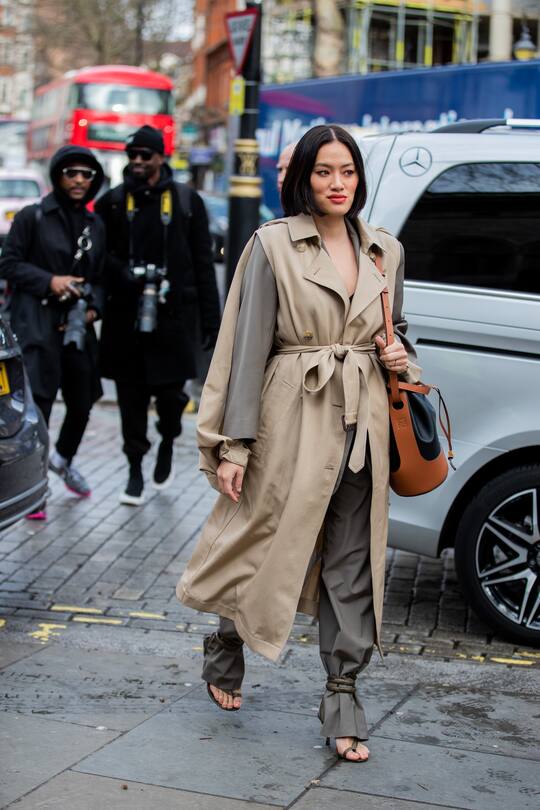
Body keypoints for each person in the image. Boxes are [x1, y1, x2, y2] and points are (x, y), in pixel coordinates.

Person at [177, 124, 422, 762]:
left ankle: (342, 694)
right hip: (293, 417)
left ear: (360, 178)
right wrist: (233, 445)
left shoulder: (385, 252)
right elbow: (244, 346)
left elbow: (403, 341)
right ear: (302, 179)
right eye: (324, 172)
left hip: (364, 424)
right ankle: (227, 644)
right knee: (264, 543)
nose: (337, 184)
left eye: (347, 172)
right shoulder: (272, 245)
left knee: (353, 565)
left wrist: (399, 355)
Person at [95, 126, 220, 506]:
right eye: (132, 155)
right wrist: (123, 274)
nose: (137, 162)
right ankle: (134, 470)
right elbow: (101, 260)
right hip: (125, 321)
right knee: (131, 402)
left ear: (160, 157)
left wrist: (213, 322)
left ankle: (167, 439)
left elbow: (203, 263)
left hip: (173, 320)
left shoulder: (185, 201)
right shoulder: (113, 203)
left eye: (144, 155)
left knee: (170, 399)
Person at [0, 146, 106, 516]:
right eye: (71, 172)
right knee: (39, 406)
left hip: (77, 329)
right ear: (57, 175)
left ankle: (61, 458)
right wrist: (51, 281)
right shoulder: (32, 217)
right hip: (37, 327)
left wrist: (94, 308)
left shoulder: (95, 225)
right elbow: (9, 264)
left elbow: (101, 278)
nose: (79, 180)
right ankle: (37, 488)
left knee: (81, 402)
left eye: (87, 174)